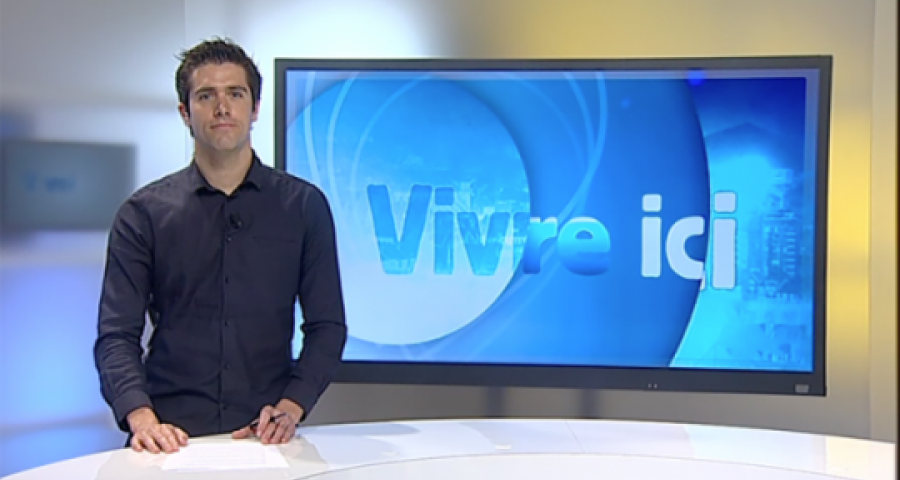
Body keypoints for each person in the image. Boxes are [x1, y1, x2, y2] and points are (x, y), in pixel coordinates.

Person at [93, 38, 348, 454]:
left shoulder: (303, 207)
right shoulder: (143, 214)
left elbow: (327, 326)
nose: (222, 107)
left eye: (235, 93)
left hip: (266, 435)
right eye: (206, 95)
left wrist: (292, 406)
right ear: (185, 113)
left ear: (255, 108)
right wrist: (141, 418)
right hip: (168, 436)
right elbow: (116, 335)